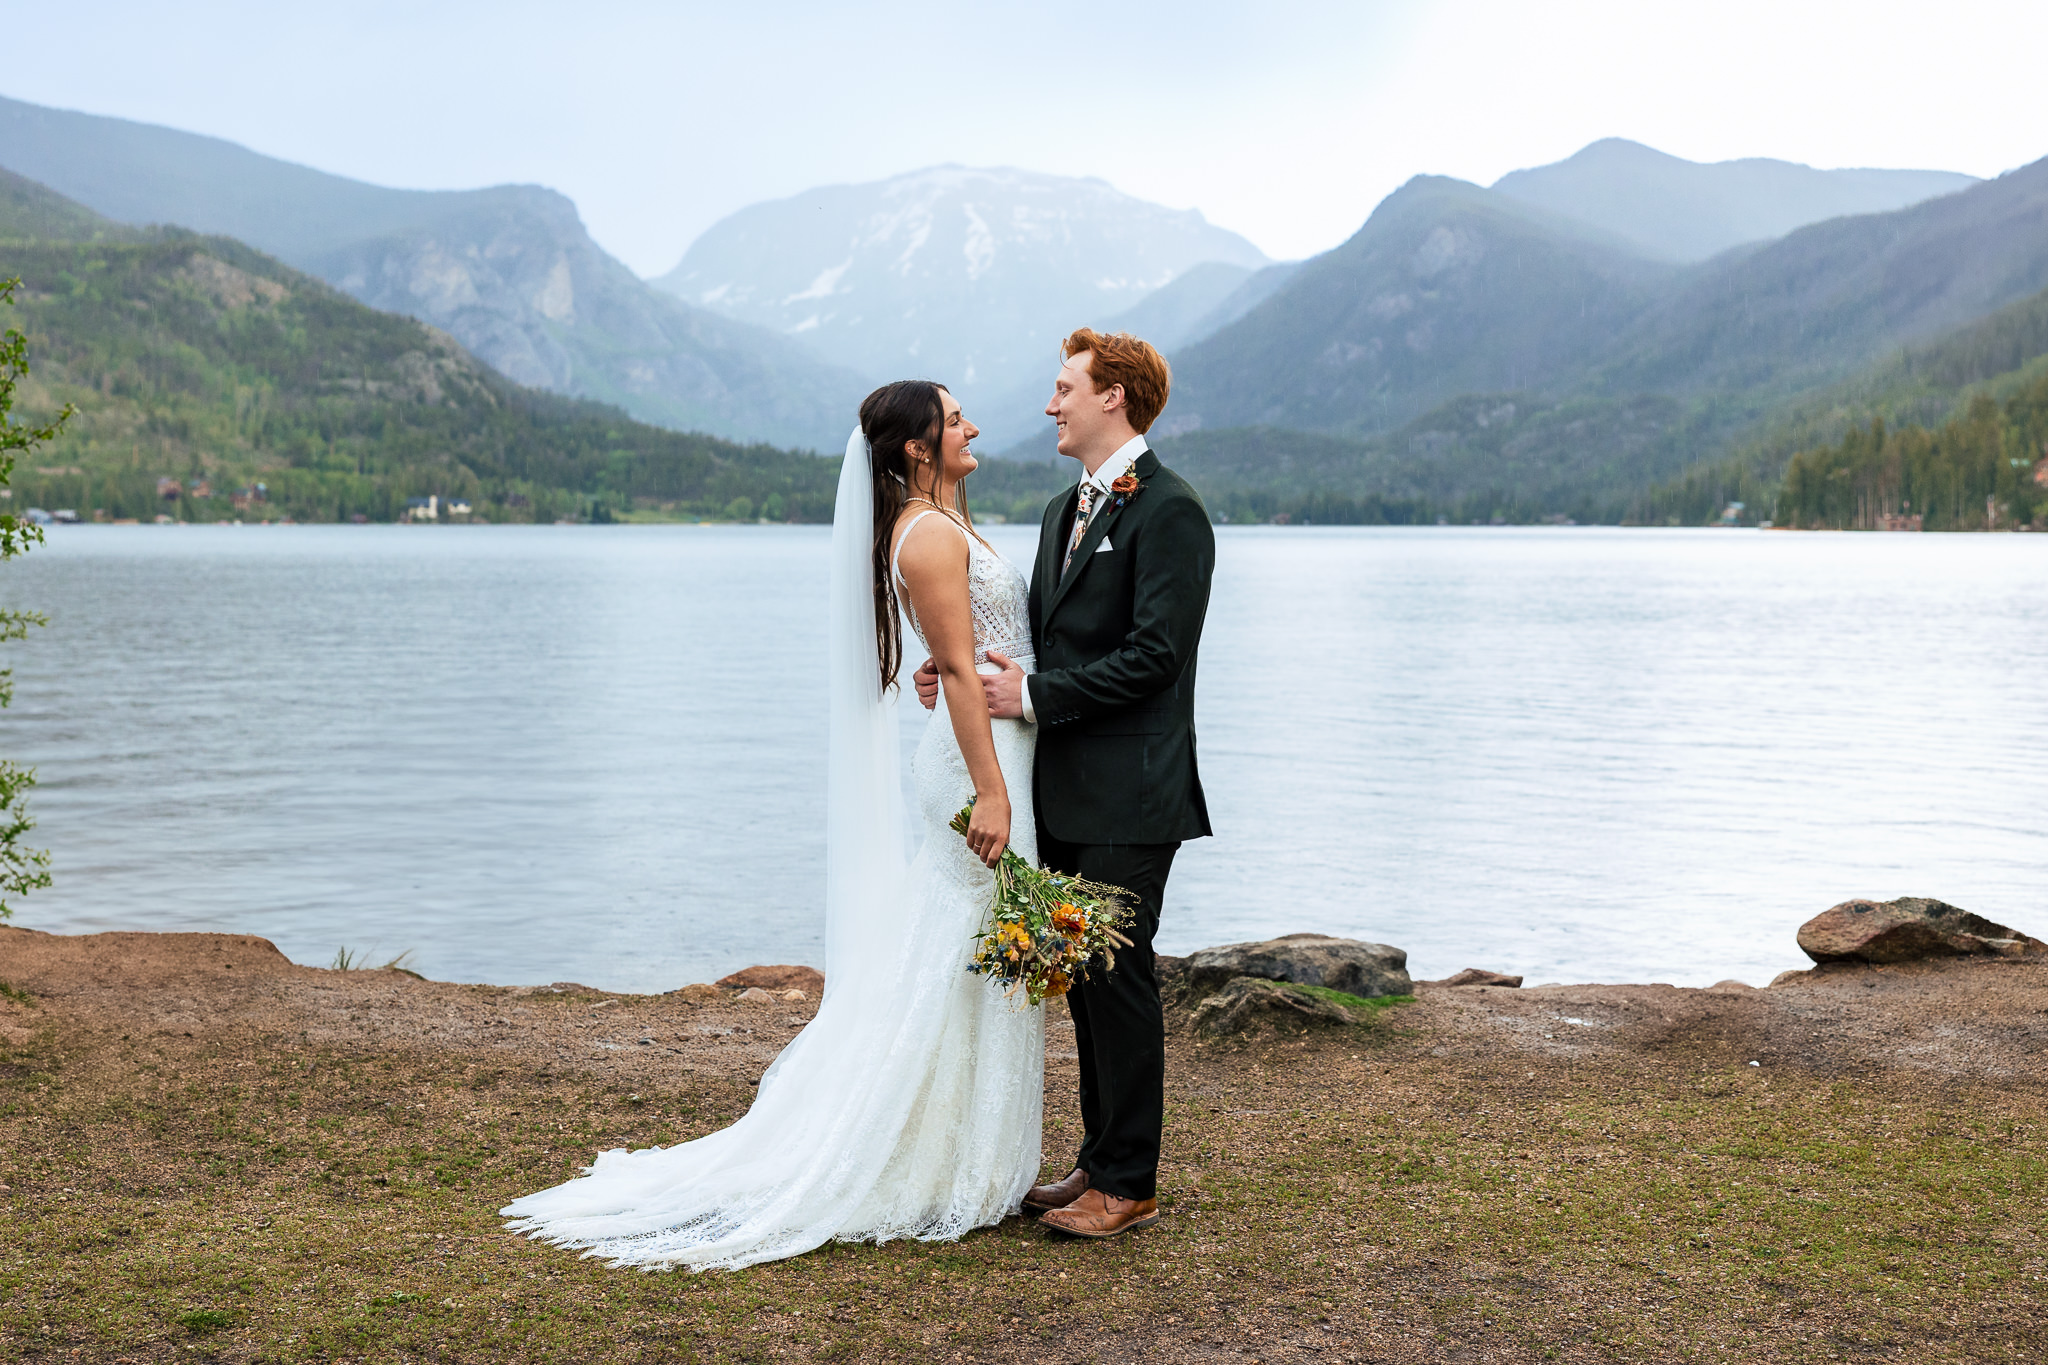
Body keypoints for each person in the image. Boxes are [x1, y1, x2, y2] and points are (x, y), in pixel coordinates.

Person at [502, 380, 1045, 1270]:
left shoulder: (939, 522)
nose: (972, 424)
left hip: (991, 741)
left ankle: (960, 1150)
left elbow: (964, 657)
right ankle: (928, 1158)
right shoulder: (934, 534)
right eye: (953, 418)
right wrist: (991, 791)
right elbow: (949, 666)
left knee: (966, 958)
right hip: (979, 766)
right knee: (957, 957)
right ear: (915, 447)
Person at [915, 328, 1214, 1239]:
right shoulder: (1060, 510)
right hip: (1064, 787)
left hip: (1135, 790)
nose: (1050, 404)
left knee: (1119, 975)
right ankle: (1098, 1156)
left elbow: (1158, 657)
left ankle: (1131, 1182)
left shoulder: (1171, 512)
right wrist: (962, 671)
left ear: (1113, 396)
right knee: (1082, 975)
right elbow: (1045, 641)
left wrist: (1035, 693)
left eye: (1064, 388)